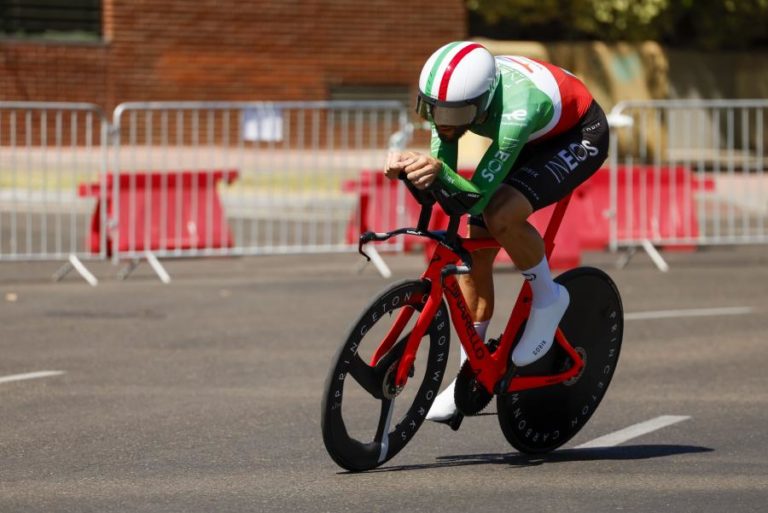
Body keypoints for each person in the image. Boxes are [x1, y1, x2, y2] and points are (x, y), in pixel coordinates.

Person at [384, 41, 610, 424]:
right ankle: (469, 373)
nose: (443, 121)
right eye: (433, 110)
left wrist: (437, 172)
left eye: (455, 114)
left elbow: (476, 196)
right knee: (473, 246)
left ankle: (548, 297)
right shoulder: (452, 101)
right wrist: (416, 169)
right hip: (532, 135)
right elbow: (447, 176)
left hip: (578, 133)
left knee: (500, 213)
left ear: (482, 102)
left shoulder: (517, 111)